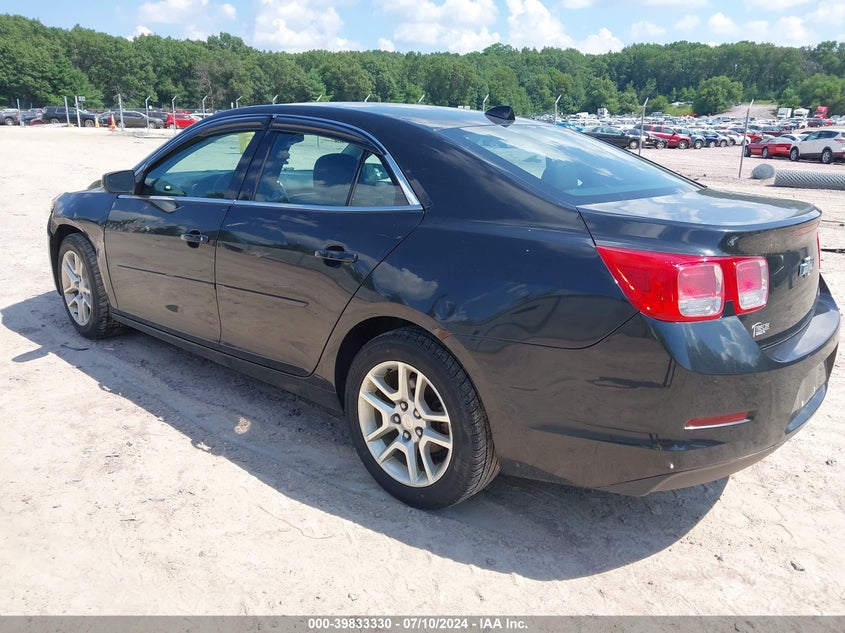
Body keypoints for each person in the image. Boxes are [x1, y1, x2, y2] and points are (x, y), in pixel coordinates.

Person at [256, 133, 304, 202]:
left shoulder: (272, 180)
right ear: (272, 153)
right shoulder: (260, 183)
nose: (288, 155)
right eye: (283, 149)